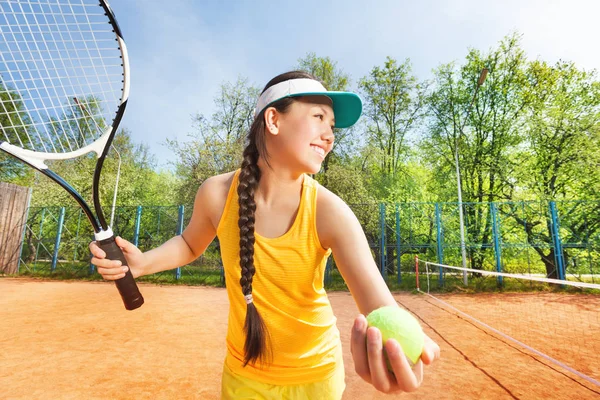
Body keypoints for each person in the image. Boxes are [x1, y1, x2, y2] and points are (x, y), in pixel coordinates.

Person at [90, 70, 440, 399]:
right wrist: (143, 262)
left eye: (332, 126)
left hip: (317, 379)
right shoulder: (216, 193)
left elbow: (379, 304)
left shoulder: (330, 212)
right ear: (273, 120)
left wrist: (398, 351)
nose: (330, 135)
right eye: (319, 117)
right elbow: (188, 244)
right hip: (243, 377)